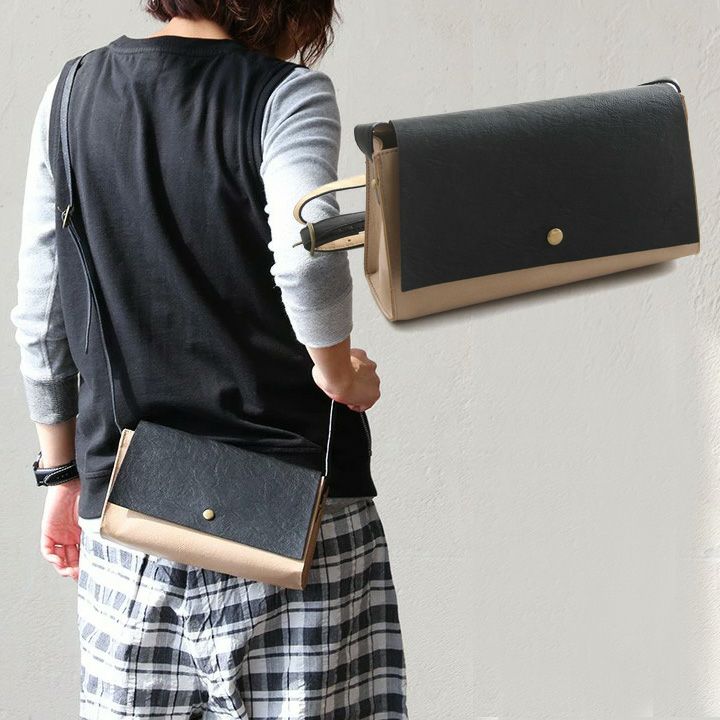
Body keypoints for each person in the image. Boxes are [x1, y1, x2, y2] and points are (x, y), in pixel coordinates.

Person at [10, 1, 409, 717]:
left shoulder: (69, 94)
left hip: (130, 520)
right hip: (295, 521)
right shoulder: (285, 93)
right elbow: (307, 249)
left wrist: (61, 473)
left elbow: (41, 313)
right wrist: (338, 371)